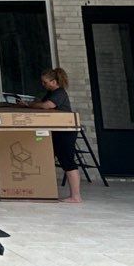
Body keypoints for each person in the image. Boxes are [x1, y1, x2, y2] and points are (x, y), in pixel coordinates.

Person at [32, 68, 83, 203]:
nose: (43, 84)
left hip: (65, 131)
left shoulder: (59, 93)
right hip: (57, 130)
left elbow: (47, 106)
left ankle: (76, 196)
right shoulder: (51, 93)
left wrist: (33, 105)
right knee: (59, 158)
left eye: (45, 82)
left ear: (54, 81)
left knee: (67, 160)